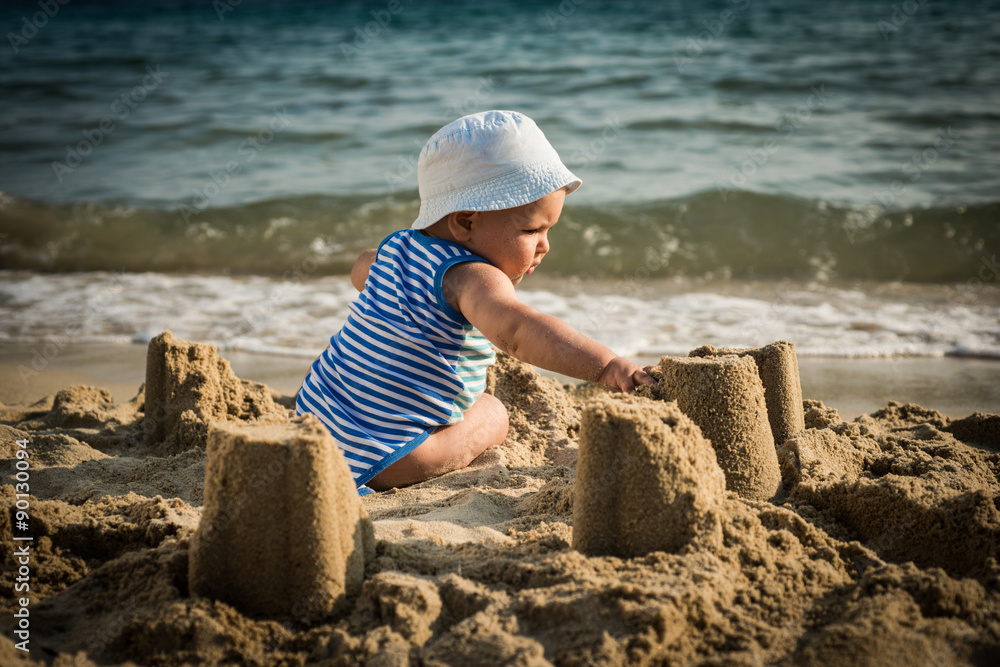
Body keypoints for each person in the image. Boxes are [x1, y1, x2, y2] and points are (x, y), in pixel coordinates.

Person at [297, 110, 653, 494]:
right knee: (492, 413)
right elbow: (517, 331)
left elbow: (360, 269)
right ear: (465, 222)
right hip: (389, 457)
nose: (545, 246)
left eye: (548, 230)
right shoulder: (472, 277)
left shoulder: (394, 248)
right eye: (532, 230)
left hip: (311, 423)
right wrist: (605, 367)